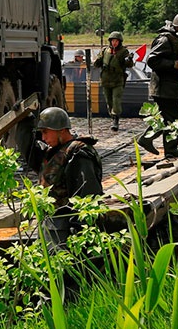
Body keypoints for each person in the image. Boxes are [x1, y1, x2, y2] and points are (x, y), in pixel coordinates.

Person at [30, 106, 103, 241]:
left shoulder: (78, 154)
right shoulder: (53, 152)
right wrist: (24, 120)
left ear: (61, 130)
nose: (43, 137)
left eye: (46, 132)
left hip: (66, 230)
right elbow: (27, 148)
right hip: (51, 227)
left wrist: (79, 230)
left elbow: (87, 193)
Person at [138, 12, 178, 157]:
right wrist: (174, 65)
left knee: (168, 117)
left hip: (175, 86)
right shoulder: (165, 39)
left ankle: (148, 139)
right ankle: (169, 150)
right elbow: (152, 60)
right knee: (172, 118)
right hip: (164, 86)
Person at [94, 31, 134, 131]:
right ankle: (112, 117)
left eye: (116, 41)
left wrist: (129, 60)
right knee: (109, 101)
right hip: (106, 80)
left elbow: (129, 65)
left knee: (116, 100)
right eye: (112, 41)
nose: (114, 43)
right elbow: (96, 64)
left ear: (119, 42)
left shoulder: (123, 52)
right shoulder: (105, 51)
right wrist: (98, 59)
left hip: (117, 80)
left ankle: (115, 121)